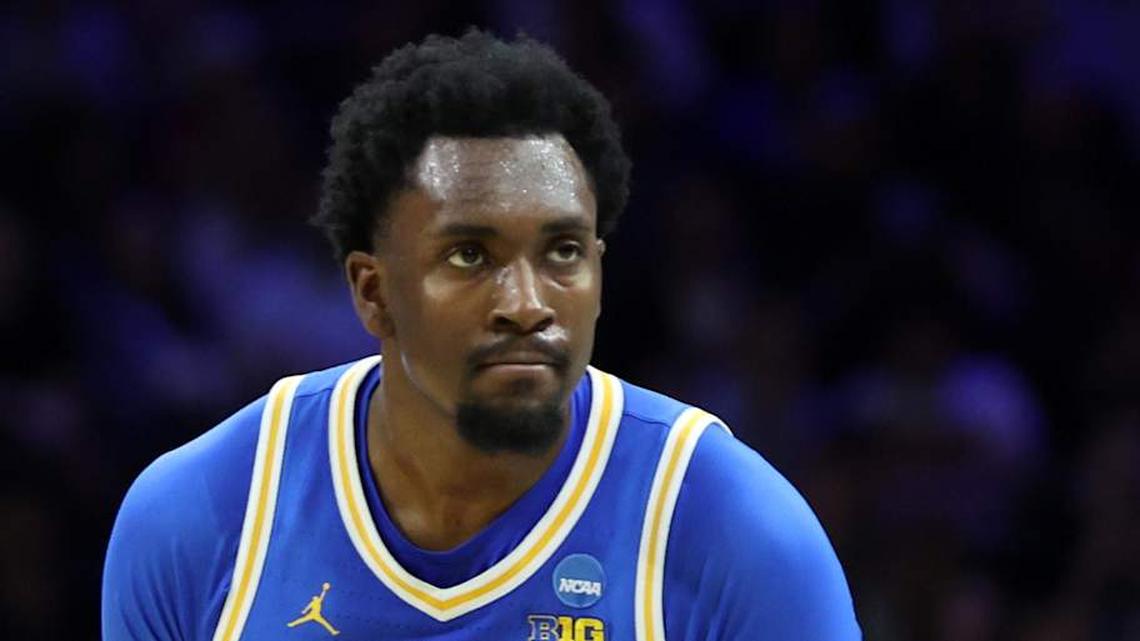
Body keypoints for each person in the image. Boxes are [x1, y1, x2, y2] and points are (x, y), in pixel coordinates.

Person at [102, 29, 860, 641]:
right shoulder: (201, 517)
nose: (526, 303)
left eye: (563, 251)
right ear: (373, 292)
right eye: (471, 255)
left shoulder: (733, 530)